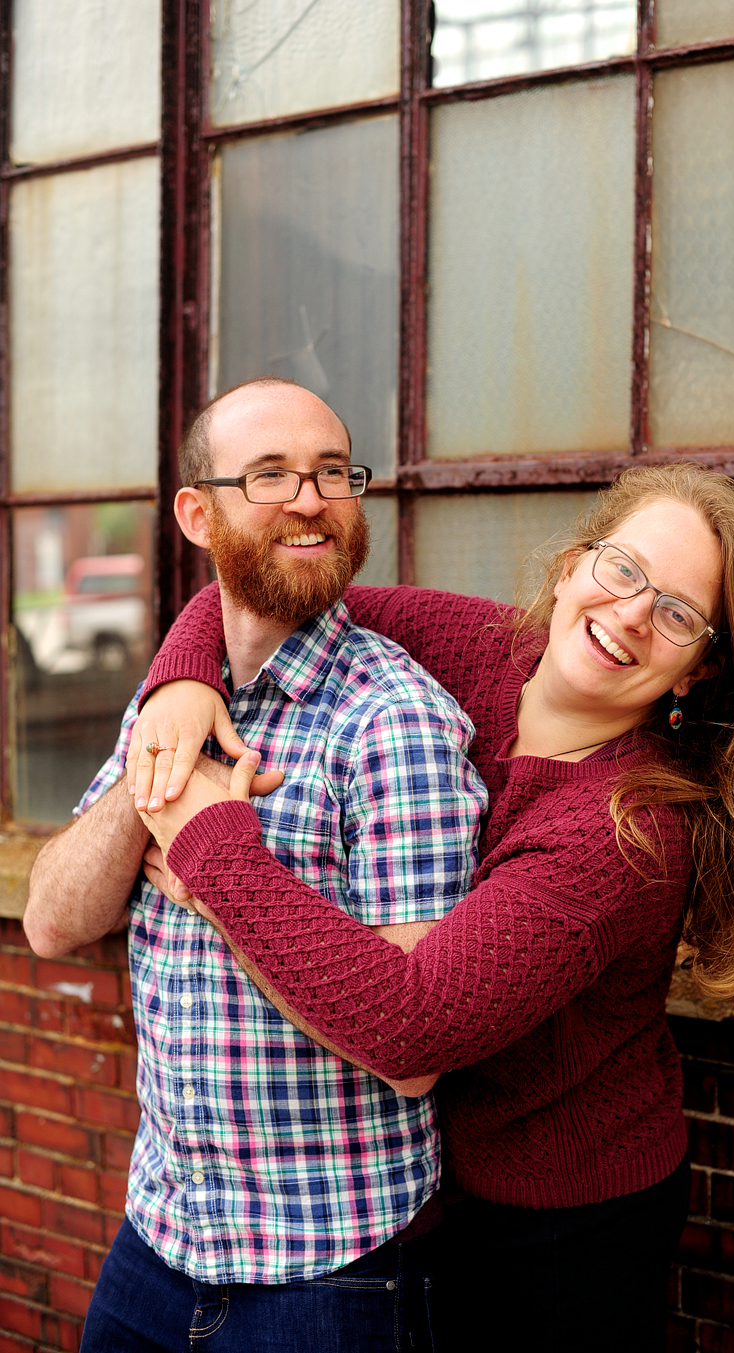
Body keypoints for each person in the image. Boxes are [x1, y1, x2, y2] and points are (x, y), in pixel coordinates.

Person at [129, 462, 734, 1352]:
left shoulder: (627, 832)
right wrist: (187, 681)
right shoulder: (480, 646)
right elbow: (269, 595)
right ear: (572, 567)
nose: (633, 615)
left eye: (679, 614)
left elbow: (408, 1024)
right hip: (435, 1191)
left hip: (565, 1226)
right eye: (622, 570)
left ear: (699, 668)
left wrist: (212, 849)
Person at [23, 379, 487, 1353]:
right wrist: (152, 787)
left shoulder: (394, 722)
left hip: (328, 1275)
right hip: (159, 1236)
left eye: (330, 472)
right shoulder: (175, 700)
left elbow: (416, 1048)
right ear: (198, 514)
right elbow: (54, 922)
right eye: (268, 475)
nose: (310, 499)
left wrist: (214, 863)